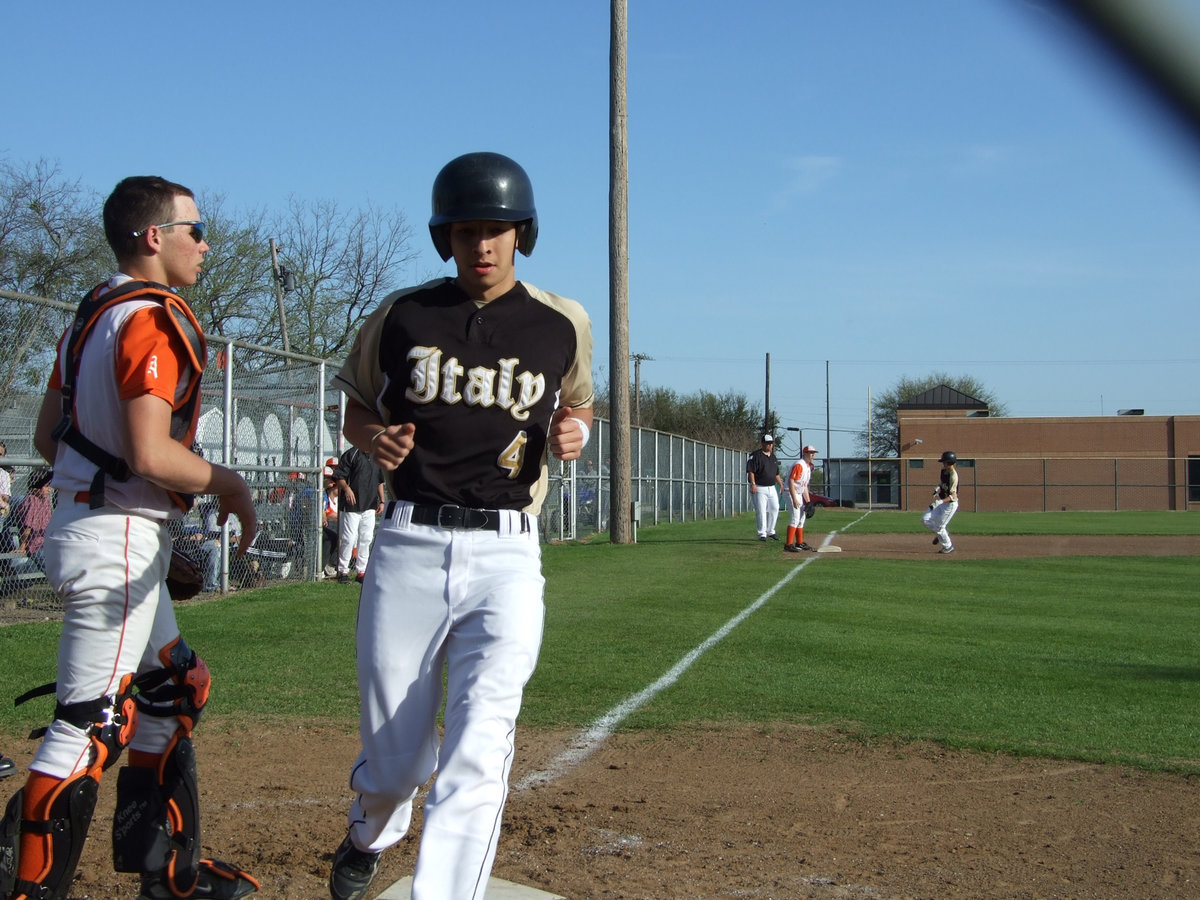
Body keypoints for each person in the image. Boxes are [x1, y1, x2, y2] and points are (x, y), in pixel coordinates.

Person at [326, 151, 594, 900]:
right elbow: (353, 404)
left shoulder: (562, 321)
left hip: (506, 554)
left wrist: (577, 428)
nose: (483, 244)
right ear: (445, 237)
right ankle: (371, 831)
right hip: (408, 543)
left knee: (480, 744)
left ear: (522, 234)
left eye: (498, 229)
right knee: (397, 760)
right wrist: (369, 438)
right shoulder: (402, 315)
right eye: (467, 230)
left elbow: (577, 401)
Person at [0, 176, 260, 900]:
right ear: (155, 237)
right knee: (91, 724)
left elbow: (54, 431)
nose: (204, 245)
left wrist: (104, 481)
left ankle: (167, 872)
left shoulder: (93, 311)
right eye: (194, 229)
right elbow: (151, 453)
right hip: (115, 534)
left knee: (176, 686)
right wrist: (231, 485)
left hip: (102, 524)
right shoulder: (153, 316)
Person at [331, 446, 384, 584]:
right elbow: (340, 476)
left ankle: (362, 571)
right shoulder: (352, 454)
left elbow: (380, 481)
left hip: (370, 504)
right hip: (352, 505)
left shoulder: (376, 456)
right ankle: (343, 571)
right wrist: (347, 489)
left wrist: (382, 500)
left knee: (366, 538)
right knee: (349, 538)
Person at [11, 467, 55, 572]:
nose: (49, 489)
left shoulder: (46, 500)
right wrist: (23, 546)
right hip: (35, 545)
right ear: (36, 487)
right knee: (48, 568)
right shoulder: (31, 500)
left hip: (47, 541)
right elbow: (28, 527)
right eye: (46, 486)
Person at [746, 434, 783, 541]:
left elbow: (776, 474)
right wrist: (753, 483)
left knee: (775, 508)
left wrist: (781, 485)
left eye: (771, 443)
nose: (769, 445)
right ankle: (762, 533)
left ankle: (771, 531)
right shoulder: (755, 455)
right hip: (760, 487)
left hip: (771, 487)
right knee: (761, 510)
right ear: (762, 443)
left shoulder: (773, 457)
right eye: (767, 443)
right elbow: (751, 471)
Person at [922, 450, 960, 554]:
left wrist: (939, 502)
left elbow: (953, 496)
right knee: (925, 519)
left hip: (950, 505)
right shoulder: (944, 471)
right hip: (942, 502)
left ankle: (948, 547)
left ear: (949, 462)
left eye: (945, 461)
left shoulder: (954, 476)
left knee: (940, 527)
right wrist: (937, 488)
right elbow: (942, 482)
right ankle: (942, 534)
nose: (943, 463)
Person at [784, 446, 819, 553]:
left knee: (802, 518)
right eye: (810, 453)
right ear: (804, 454)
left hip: (798, 492)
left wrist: (808, 502)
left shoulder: (808, 467)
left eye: (813, 453)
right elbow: (791, 481)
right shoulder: (800, 464)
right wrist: (794, 499)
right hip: (790, 492)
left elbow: (804, 487)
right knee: (795, 518)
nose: (812, 455)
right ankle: (788, 544)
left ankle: (799, 542)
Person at [321, 461, 340, 577]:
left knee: (336, 536)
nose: (330, 480)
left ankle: (328, 565)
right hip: (308, 525)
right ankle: (321, 567)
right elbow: (324, 511)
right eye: (327, 478)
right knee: (330, 537)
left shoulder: (323, 493)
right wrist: (323, 517)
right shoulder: (316, 491)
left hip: (322, 524)